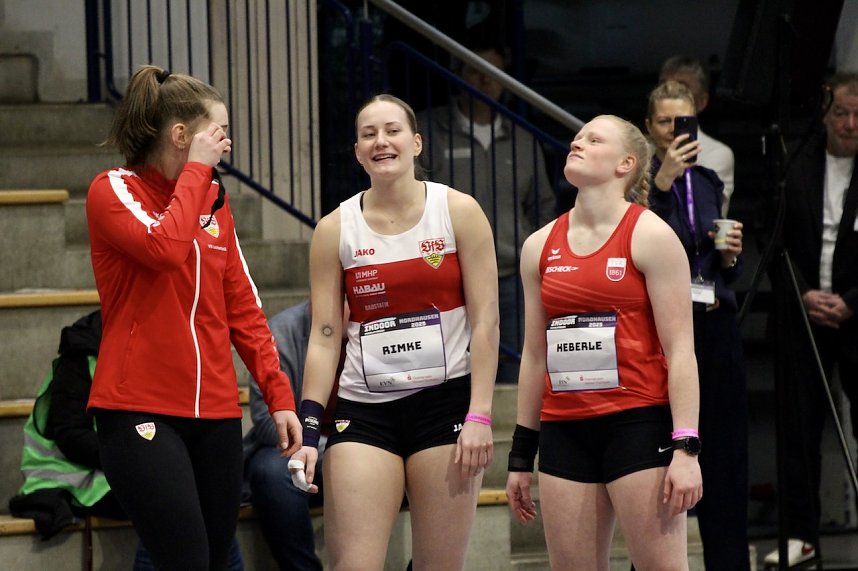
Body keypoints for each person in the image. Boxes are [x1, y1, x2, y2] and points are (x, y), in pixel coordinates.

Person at [85, 64, 301, 571]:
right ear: (182, 135)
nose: (227, 144)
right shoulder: (112, 190)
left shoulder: (212, 202)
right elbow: (164, 248)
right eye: (219, 132)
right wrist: (196, 174)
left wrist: (280, 395)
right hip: (139, 407)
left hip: (217, 414)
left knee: (213, 557)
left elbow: (244, 309)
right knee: (184, 560)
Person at [290, 93, 499, 571]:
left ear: (417, 142)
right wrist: (309, 428)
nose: (381, 141)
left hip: (445, 406)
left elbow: (487, 321)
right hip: (364, 410)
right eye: (368, 134)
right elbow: (325, 335)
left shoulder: (459, 211)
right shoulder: (333, 228)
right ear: (358, 150)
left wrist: (481, 415)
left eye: (392, 131)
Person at [505, 114, 703, 569]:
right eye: (577, 137)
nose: (578, 143)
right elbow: (535, 355)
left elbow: (681, 351)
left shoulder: (650, 234)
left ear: (626, 164)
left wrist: (687, 447)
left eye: (594, 139)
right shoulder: (538, 245)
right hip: (564, 430)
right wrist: (520, 453)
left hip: (636, 425)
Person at [10, 310, 244, 570]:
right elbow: (70, 434)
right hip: (75, 475)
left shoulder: (166, 351)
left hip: (122, 463)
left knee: (192, 506)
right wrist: (133, 458)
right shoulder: (82, 351)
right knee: (169, 507)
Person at [645, 80, 750, 570]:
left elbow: (722, 263)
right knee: (662, 454)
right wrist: (662, 182)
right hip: (663, 335)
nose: (675, 131)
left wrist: (730, 255)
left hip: (714, 325)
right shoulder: (640, 180)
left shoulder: (709, 179)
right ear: (650, 127)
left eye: (684, 122)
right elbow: (643, 240)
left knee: (726, 458)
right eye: (665, 122)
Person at [764, 71, 858, 568]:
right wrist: (803, 293)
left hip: (857, 314)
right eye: (840, 112)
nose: (849, 123)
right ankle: (801, 536)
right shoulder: (796, 161)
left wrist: (851, 302)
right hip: (802, 313)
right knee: (799, 433)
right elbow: (773, 236)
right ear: (824, 114)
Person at [418, 41, 555, 380]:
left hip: (512, 275)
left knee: (516, 372)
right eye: (475, 71)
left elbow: (543, 205)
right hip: (447, 274)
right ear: (458, 75)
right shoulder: (428, 130)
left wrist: (534, 256)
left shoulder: (523, 137)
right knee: (450, 372)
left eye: (493, 73)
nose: (484, 81)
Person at [243, 299, 338, 571]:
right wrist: (318, 447)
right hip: (296, 449)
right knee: (271, 472)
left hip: (364, 445)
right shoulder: (283, 331)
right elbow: (264, 420)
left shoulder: (375, 327)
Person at [660, 55, 737, 217]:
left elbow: (704, 217)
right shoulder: (640, 149)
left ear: (701, 102)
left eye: (681, 89)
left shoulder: (717, 153)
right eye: (664, 87)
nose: (669, 97)